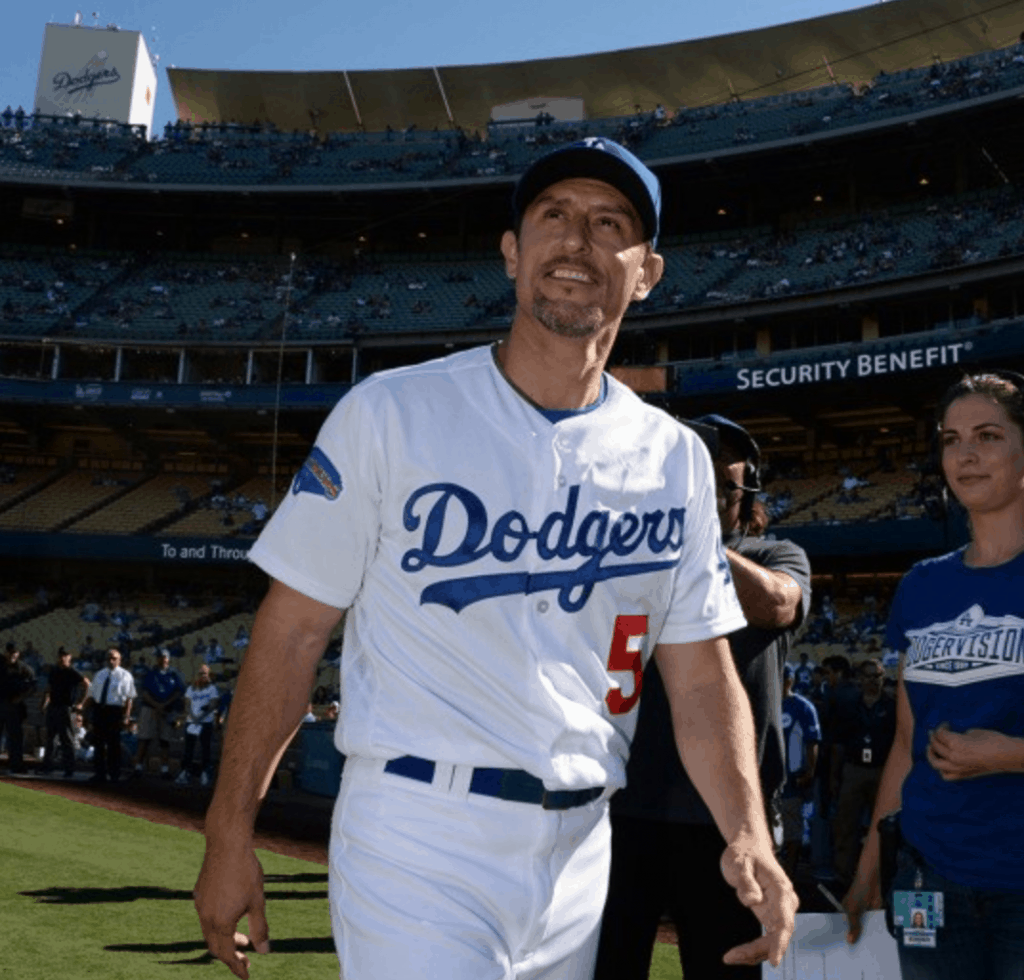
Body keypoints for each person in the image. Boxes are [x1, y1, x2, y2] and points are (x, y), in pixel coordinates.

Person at [193, 137, 798, 980]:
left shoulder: (674, 459)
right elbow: (291, 633)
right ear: (513, 252)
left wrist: (749, 836)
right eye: (552, 216)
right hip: (416, 827)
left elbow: (699, 677)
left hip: (586, 844)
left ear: (647, 270)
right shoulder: (391, 412)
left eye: (608, 222)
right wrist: (230, 834)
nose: (576, 240)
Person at [594, 414, 810, 980]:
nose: (707, 490)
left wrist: (687, 531)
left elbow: (777, 606)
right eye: (692, 474)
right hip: (621, 805)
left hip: (728, 820)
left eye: (722, 482)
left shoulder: (774, 554)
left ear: (749, 493)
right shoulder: (632, 555)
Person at [845, 371, 1024, 979]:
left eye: (989, 435)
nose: (966, 454)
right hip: (928, 872)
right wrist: (870, 865)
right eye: (951, 439)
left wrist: (1010, 754)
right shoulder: (922, 585)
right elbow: (904, 742)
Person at [829, 657, 896, 886]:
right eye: (867, 676)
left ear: (883, 678)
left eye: (877, 676)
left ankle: (881, 879)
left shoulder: (892, 706)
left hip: (882, 771)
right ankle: (844, 877)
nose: (872, 680)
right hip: (854, 769)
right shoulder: (848, 705)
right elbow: (838, 743)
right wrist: (835, 777)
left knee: (885, 828)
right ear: (859, 679)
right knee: (846, 826)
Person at [779, 663, 821, 881]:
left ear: (790, 680)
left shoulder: (803, 707)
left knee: (792, 829)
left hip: (792, 778)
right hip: (767, 779)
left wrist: (810, 772)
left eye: (782, 678)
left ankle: (790, 872)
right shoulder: (764, 701)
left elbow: (812, 742)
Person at [81, 649, 136, 784]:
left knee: (113, 745)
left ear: (119, 660)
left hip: (114, 711)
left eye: (114, 658)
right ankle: (99, 773)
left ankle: (114, 774)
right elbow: (93, 695)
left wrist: (126, 715)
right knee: (98, 743)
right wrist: (84, 711)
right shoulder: (99, 674)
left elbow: (129, 698)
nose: (111, 661)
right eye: (109, 658)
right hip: (100, 709)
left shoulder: (125, 676)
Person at [132, 649, 185, 780]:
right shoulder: (150, 674)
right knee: (144, 739)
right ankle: (137, 768)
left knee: (165, 741)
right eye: (161, 657)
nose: (163, 660)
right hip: (150, 708)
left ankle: (165, 770)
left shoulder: (174, 674)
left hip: (167, 710)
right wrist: (157, 705)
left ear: (169, 659)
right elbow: (144, 693)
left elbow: (178, 692)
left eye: (165, 657)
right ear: (157, 659)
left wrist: (165, 704)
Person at [41, 647, 90, 777]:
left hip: (65, 707)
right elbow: (49, 688)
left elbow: (87, 685)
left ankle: (69, 768)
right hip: (53, 706)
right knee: (50, 738)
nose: (63, 658)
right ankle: (47, 766)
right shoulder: (55, 671)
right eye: (61, 655)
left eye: (66, 655)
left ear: (70, 657)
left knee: (66, 739)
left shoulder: (72, 672)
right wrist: (44, 703)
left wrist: (80, 703)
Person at [177, 664, 220, 787]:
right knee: (188, 749)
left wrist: (200, 717)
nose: (203, 676)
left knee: (205, 749)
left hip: (205, 723)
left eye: (205, 674)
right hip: (191, 723)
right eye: (201, 673)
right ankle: (185, 772)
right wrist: (193, 717)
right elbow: (187, 704)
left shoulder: (212, 689)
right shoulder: (191, 689)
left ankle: (205, 774)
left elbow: (213, 704)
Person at [0, 642, 35, 774]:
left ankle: (16, 764)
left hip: (14, 705)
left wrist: (20, 698)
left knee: (14, 736)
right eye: (10, 652)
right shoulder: (1, 665)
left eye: (14, 652)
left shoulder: (23, 668)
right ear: (6, 652)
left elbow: (32, 686)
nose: (12, 655)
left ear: (18, 653)